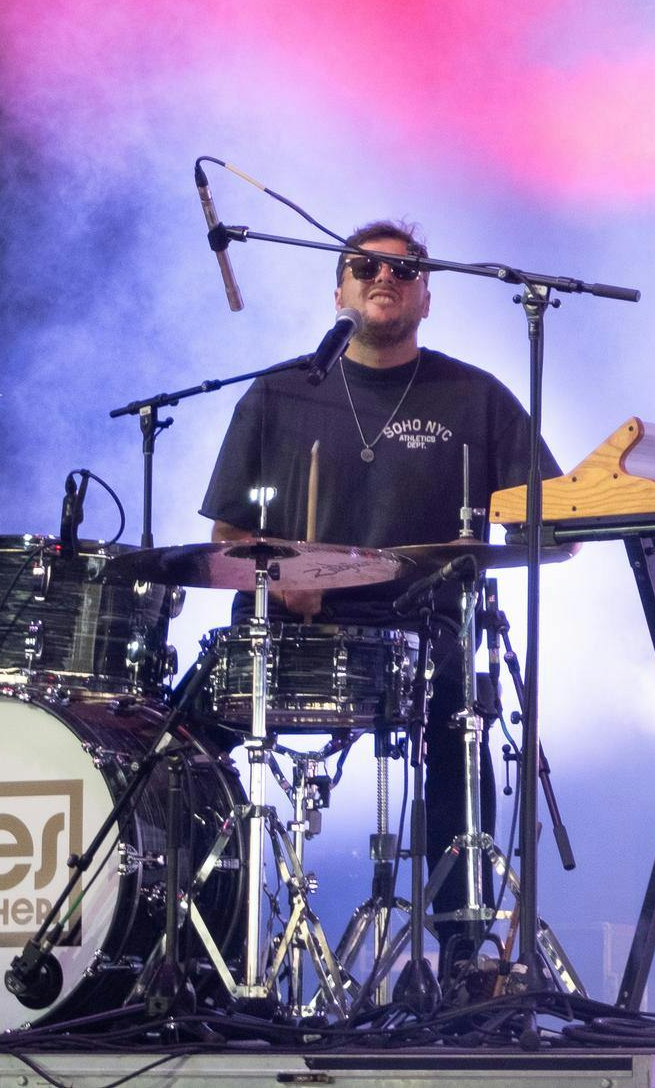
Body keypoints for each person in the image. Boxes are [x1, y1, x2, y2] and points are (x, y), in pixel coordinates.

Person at [200, 218, 559, 973]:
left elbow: (556, 522)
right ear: (339, 288)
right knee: (177, 743)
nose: (382, 278)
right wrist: (283, 577)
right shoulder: (277, 391)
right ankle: (193, 929)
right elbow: (228, 532)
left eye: (403, 270)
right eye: (364, 266)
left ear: (428, 295)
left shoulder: (477, 397)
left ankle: (462, 944)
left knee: (463, 722)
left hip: (419, 629)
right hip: (290, 628)